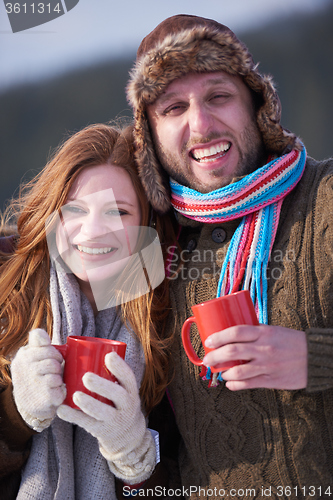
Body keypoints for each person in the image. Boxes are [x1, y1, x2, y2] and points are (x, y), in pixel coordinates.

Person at [126, 14, 333, 498]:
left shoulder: (326, 197)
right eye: (174, 108)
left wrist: (313, 358)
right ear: (150, 135)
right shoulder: (147, 251)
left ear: (256, 105)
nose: (200, 125)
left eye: (219, 97)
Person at [0, 123, 178, 499]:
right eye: (75, 209)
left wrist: (133, 450)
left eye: (119, 212)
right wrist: (17, 413)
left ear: (146, 225)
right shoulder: (5, 283)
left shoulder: (167, 314)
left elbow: (185, 482)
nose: (93, 231)